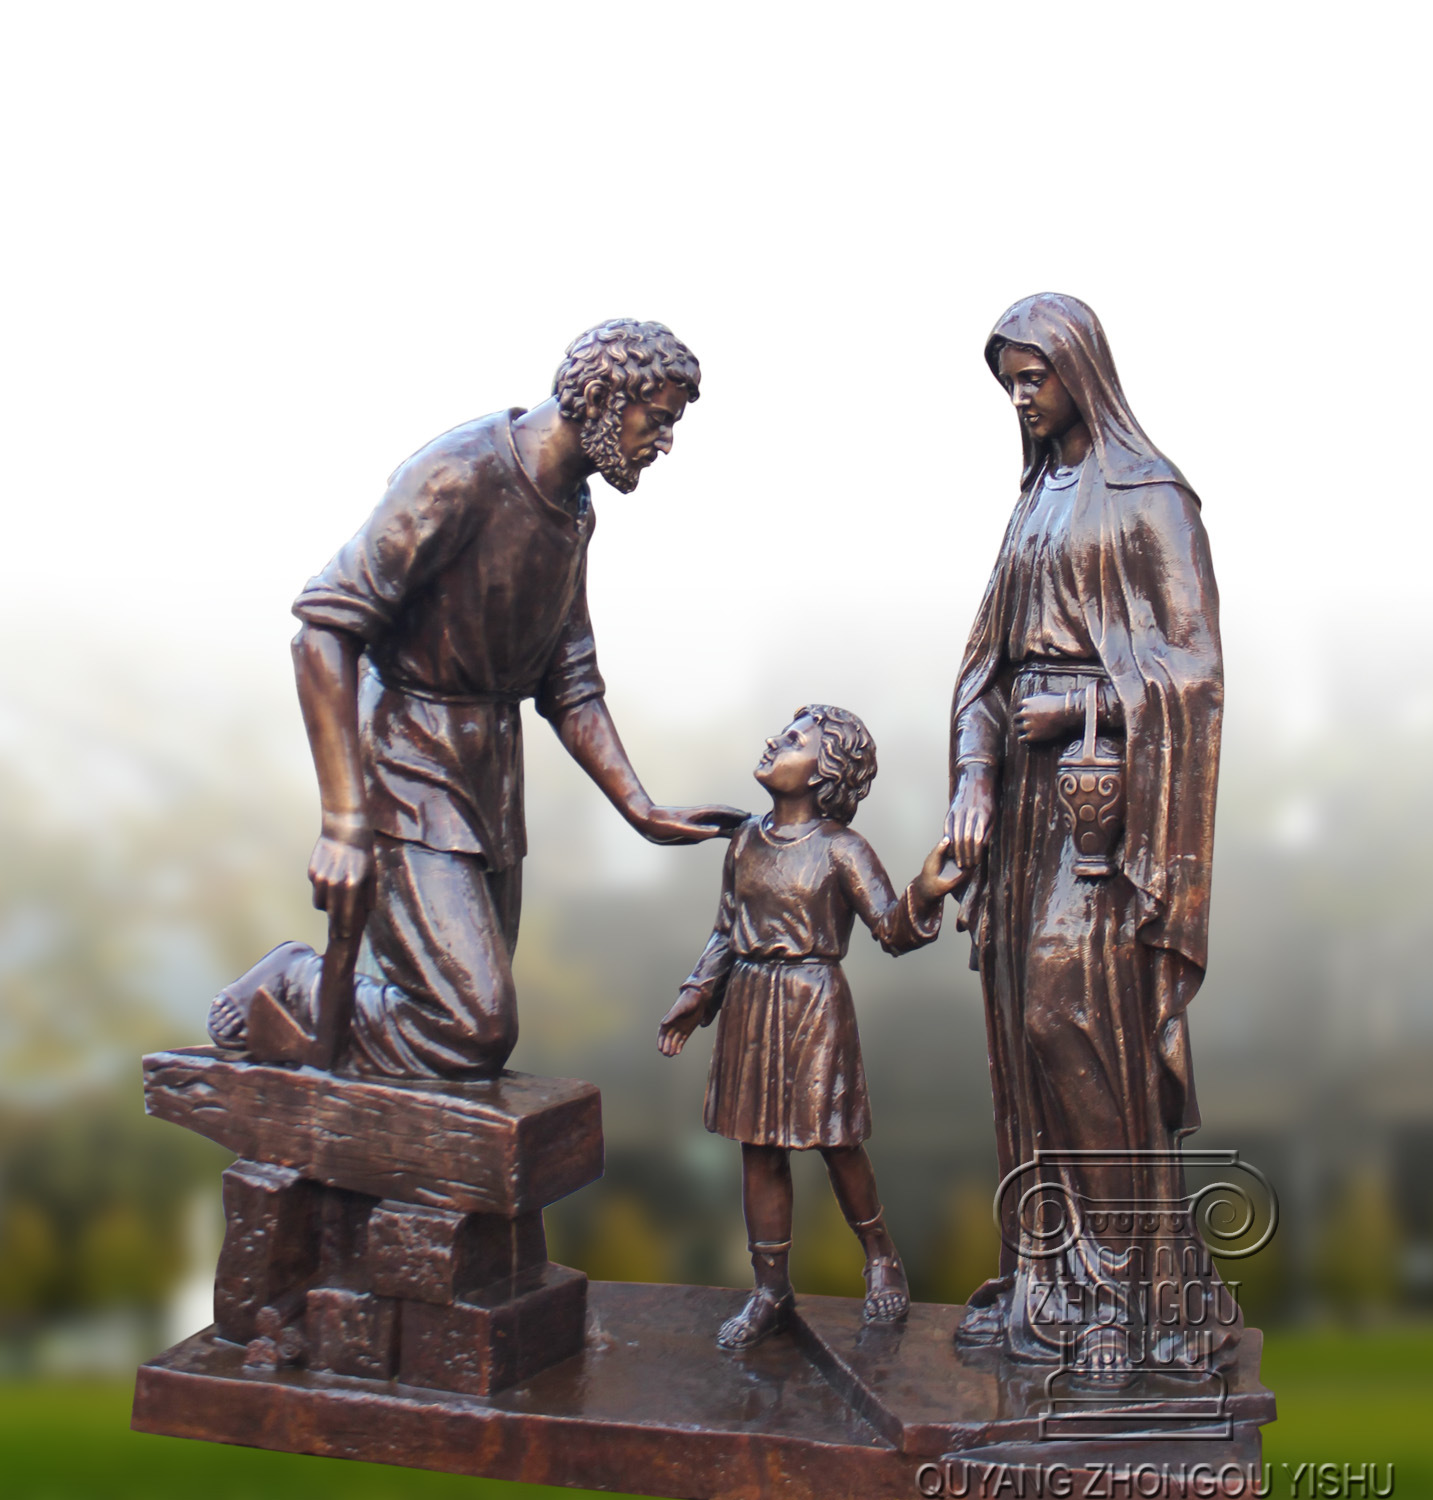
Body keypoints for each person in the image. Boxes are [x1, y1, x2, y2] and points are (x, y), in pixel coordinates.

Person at [208, 319, 743, 1078]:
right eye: (656, 421)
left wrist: (641, 807)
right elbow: (322, 631)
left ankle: (393, 1141)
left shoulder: (575, 509)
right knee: (471, 1028)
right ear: (600, 396)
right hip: (406, 756)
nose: (663, 443)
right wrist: (342, 823)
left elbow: (570, 678)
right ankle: (296, 981)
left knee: (465, 1041)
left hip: (489, 779)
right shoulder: (459, 473)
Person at [943, 293, 1233, 1376]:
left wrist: (1082, 711)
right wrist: (973, 781)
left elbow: (1195, 670)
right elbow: (983, 665)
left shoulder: (1150, 497)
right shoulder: (1033, 505)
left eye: (1037, 376)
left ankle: (1129, 1294)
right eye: (1009, 380)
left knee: (1077, 1020)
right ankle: (1051, 1278)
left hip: (1105, 800)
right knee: (1026, 1037)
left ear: (1082, 371)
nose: (1022, 397)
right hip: (1021, 806)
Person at [659, 706, 963, 1350]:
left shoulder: (841, 849)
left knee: (837, 1140)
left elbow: (891, 927)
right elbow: (725, 929)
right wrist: (696, 994)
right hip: (748, 1000)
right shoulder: (745, 841)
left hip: (813, 1006)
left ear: (827, 771)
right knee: (757, 1147)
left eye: (794, 740)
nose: (774, 741)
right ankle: (770, 1289)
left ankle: (880, 1254)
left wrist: (927, 891)